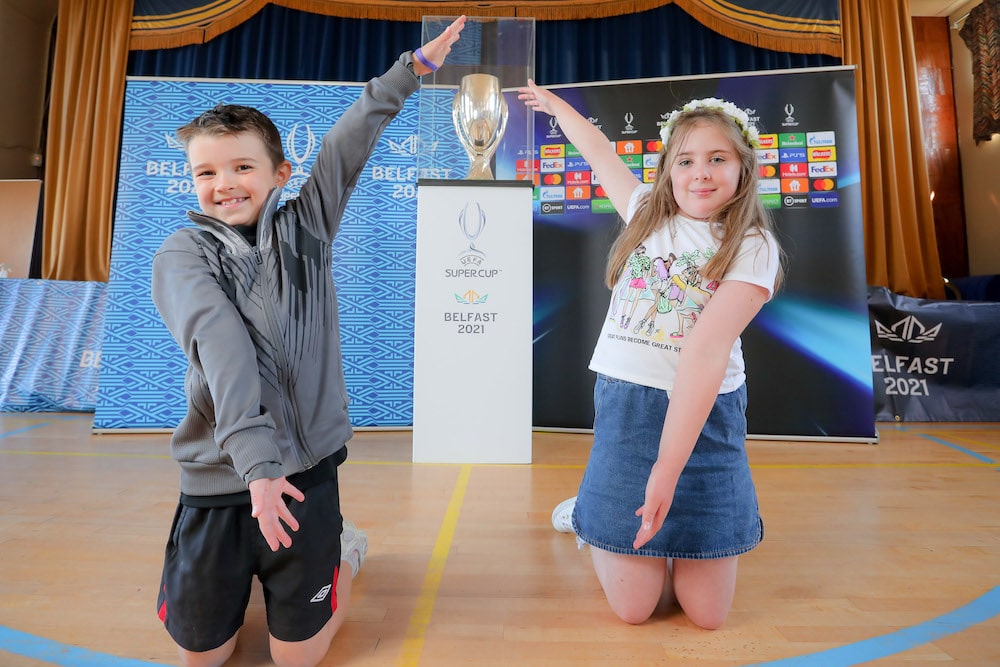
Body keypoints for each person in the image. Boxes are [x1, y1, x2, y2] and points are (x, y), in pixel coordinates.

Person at [150, 17, 466, 667]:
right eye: (206, 171)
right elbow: (222, 346)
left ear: (280, 172)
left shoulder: (308, 225)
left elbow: (350, 140)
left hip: (308, 473)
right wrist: (258, 467)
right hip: (221, 483)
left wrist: (412, 68)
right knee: (201, 658)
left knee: (296, 657)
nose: (224, 183)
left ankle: (342, 548)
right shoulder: (181, 256)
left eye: (242, 165)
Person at [519, 81, 783, 629]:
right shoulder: (645, 212)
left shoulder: (753, 246)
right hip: (629, 408)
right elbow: (596, 148)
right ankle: (592, 514)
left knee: (707, 615)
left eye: (717, 159)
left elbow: (705, 358)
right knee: (635, 610)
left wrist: (667, 471)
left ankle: (638, 521)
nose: (700, 173)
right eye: (685, 160)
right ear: (667, 169)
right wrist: (555, 106)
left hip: (705, 418)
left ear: (743, 168)